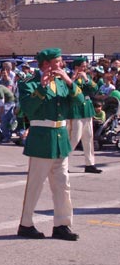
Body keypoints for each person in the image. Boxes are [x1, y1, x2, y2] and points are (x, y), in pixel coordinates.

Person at [17, 48, 84, 241]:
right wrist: (42, 87)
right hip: (41, 136)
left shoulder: (63, 82)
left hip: (60, 136)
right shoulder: (29, 83)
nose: (62, 65)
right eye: (58, 61)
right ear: (46, 64)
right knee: (35, 185)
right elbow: (27, 108)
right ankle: (26, 224)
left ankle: (62, 224)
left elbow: (79, 101)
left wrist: (69, 81)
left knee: (63, 184)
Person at [67, 57, 102, 174]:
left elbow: (95, 89)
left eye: (85, 66)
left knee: (88, 138)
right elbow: (69, 91)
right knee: (74, 138)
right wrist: (73, 79)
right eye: (82, 66)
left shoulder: (87, 77)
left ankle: (90, 164)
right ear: (76, 67)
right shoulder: (69, 77)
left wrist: (86, 79)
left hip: (87, 110)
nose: (84, 68)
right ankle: (63, 163)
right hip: (76, 111)